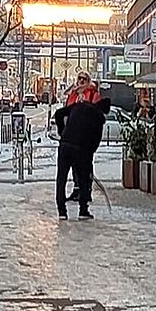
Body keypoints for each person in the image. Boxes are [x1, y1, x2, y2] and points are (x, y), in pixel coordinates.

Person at [53, 87, 110, 220]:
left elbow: (59, 114)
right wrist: (88, 158)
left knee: (61, 178)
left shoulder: (78, 106)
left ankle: (62, 211)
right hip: (81, 150)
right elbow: (95, 142)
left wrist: (62, 132)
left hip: (65, 146)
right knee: (84, 179)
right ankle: (83, 210)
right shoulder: (99, 118)